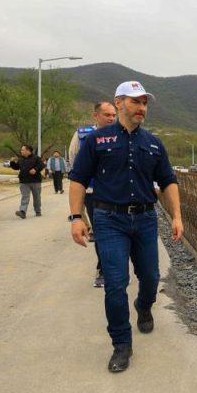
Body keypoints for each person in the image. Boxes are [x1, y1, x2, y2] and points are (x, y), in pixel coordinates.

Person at [67, 81, 183, 373]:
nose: (142, 108)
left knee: (151, 276)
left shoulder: (154, 144)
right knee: (116, 284)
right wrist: (76, 217)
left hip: (145, 219)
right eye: (135, 101)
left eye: (145, 103)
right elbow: (79, 179)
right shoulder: (97, 140)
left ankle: (144, 306)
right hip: (109, 220)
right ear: (118, 103)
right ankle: (121, 343)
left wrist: (177, 216)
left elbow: (168, 181)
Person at [68, 101, 118, 287]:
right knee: (101, 231)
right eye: (107, 115)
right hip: (93, 192)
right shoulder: (82, 136)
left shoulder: (123, 134)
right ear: (96, 116)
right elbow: (74, 162)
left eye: (114, 115)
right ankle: (103, 269)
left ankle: (117, 266)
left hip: (116, 192)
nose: (111, 119)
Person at [10, 144, 44, 218]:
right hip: (24, 181)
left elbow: (41, 165)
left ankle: (38, 211)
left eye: (22, 150)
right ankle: (22, 211)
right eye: (21, 150)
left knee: (37, 197)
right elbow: (16, 167)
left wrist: (35, 169)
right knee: (25, 197)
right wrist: (12, 162)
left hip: (35, 181)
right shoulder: (20, 159)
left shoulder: (36, 158)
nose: (21, 151)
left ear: (28, 151)